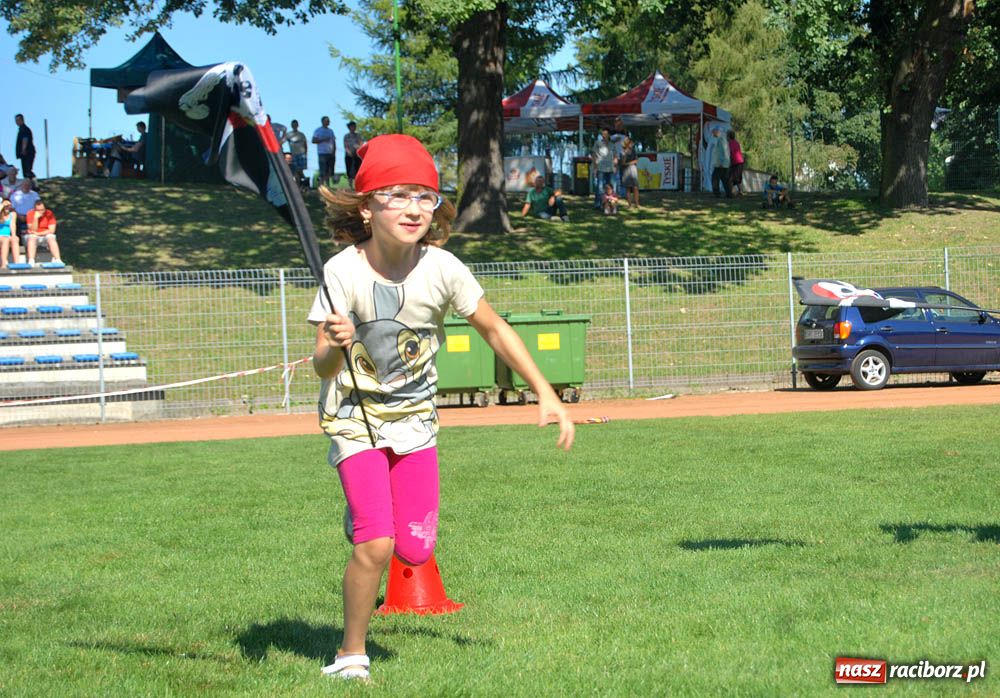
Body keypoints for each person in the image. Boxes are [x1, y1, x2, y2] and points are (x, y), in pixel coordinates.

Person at [307, 134, 574, 682]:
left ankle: (368, 518)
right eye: (398, 195)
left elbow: (495, 329)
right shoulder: (341, 271)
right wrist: (334, 343)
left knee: (414, 545)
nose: (414, 208)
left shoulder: (444, 268)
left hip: (416, 421)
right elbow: (322, 369)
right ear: (367, 206)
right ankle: (351, 654)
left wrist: (545, 392)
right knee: (377, 544)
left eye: (425, 196)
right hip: (355, 418)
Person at [25, 199, 61, 265]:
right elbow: (32, 230)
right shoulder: (30, 214)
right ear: (35, 209)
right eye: (38, 210)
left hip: (45, 234)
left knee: (51, 237)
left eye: (42, 210)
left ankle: (58, 259)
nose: (41, 212)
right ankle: (31, 260)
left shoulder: (49, 213)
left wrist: (39, 233)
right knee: (32, 238)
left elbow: (52, 230)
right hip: (33, 235)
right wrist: (35, 218)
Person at [10, 178, 38, 255]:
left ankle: (33, 241)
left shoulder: (35, 194)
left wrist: (30, 216)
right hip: (18, 216)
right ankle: (18, 242)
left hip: (31, 216)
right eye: (25, 185)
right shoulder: (15, 195)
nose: (27, 186)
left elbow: (38, 207)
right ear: (22, 185)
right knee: (13, 220)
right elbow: (12, 208)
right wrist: (18, 215)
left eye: (29, 185)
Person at [591, 128, 616, 209]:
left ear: (609, 135)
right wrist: (595, 166)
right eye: (602, 134)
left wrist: (615, 166)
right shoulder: (597, 143)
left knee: (612, 186)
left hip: (611, 168)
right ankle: (598, 204)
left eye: (605, 134)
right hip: (600, 168)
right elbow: (594, 155)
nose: (604, 135)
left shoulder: (612, 144)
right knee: (600, 187)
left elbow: (615, 156)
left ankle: (612, 204)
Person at [283, 119, 309, 187]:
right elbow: (282, 141)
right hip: (294, 155)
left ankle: (304, 183)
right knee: (295, 171)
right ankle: (297, 186)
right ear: (291, 125)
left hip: (301, 154)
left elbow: (305, 144)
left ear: (298, 125)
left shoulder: (301, 134)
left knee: (300, 171)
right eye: (293, 124)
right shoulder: (289, 134)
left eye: (296, 124)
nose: (294, 126)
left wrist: (306, 153)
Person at [313, 116, 336, 185]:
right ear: (322, 121)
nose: (328, 122)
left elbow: (334, 142)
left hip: (330, 153)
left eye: (328, 121)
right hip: (322, 153)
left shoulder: (331, 131)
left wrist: (334, 152)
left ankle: (328, 185)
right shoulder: (318, 130)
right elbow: (313, 140)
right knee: (322, 170)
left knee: (329, 171)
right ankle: (321, 186)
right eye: (326, 121)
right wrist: (323, 139)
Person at [709, 126, 731, 198]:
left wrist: (721, 162)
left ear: (717, 131)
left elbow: (723, 152)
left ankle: (717, 194)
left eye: (713, 131)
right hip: (723, 164)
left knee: (715, 178)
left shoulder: (721, 140)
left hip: (721, 164)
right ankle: (729, 194)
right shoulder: (722, 139)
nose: (712, 133)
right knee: (724, 180)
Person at [343, 122, 365, 189]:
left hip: (357, 156)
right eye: (351, 126)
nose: (353, 128)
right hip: (349, 156)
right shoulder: (346, 136)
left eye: (354, 126)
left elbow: (361, 144)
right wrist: (349, 152)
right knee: (349, 170)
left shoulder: (358, 135)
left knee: (357, 170)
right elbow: (345, 146)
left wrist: (357, 147)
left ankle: (357, 185)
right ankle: (350, 185)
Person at [620, 137, 640, 209]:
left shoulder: (634, 151)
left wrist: (628, 163)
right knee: (628, 188)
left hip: (633, 170)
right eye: (630, 142)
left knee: (635, 187)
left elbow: (636, 160)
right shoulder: (622, 152)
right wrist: (626, 153)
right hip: (626, 171)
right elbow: (622, 162)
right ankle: (629, 204)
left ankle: (637, 204)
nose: (631, 144)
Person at [15, 114, 35, 179]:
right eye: (16, 120)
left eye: (18, 120)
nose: (16, 122)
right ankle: (31, 184)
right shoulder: (21, 129)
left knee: (27, 171)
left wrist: (23, 150)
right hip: (26, 153)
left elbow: (25, 139)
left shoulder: (24, 129)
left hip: (27, 153)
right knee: (26, 171)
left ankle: (34, 184)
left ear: (22, 120)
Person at [727, 130, 745, 195]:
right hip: (740, 161)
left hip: (736, 162)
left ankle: (731, 192)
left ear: (729, 137)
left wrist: (729, 163)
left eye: (727, 136)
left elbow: (731, 153)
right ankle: (740, 191)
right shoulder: (736, 142)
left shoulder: (730, 143)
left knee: (732, 177)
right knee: (737, 177)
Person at [0, 199, 15, 269]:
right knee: (5, 240)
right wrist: (2, 206)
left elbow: (12, 225)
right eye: (5, 206)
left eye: (8, 206)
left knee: (15, 239)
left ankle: (17, 263)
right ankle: (3, 264)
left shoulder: (12, 214)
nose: (7, 207)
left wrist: (14, 235)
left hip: (7, 235)